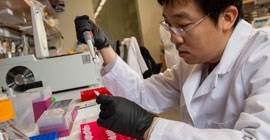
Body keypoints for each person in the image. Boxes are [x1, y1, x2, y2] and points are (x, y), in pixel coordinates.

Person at [74, 0, 270, 139]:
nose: (174, 38)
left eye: (183, 25)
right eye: (169, 25)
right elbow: (143, 94)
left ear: (227, 18)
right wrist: (104, 46)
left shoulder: (263, 58)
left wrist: (149, 127)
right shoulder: (193, 63)